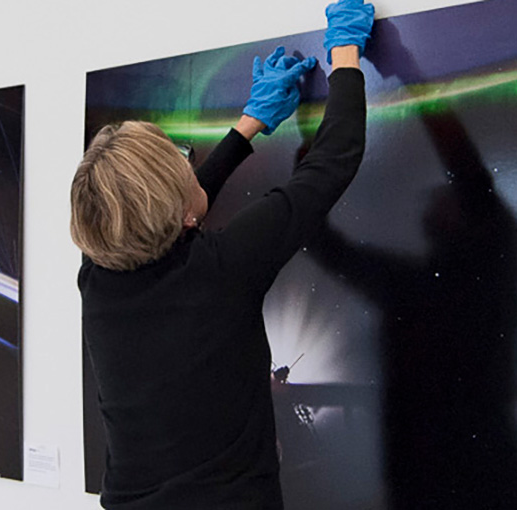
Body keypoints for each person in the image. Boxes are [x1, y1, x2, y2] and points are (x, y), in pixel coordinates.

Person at [70, 1, 373, 508]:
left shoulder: (99, 274)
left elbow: (167, 211)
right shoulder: (222, 270)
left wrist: (248, 125)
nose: (192, 168)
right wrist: (345, 50)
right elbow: (333, 158)